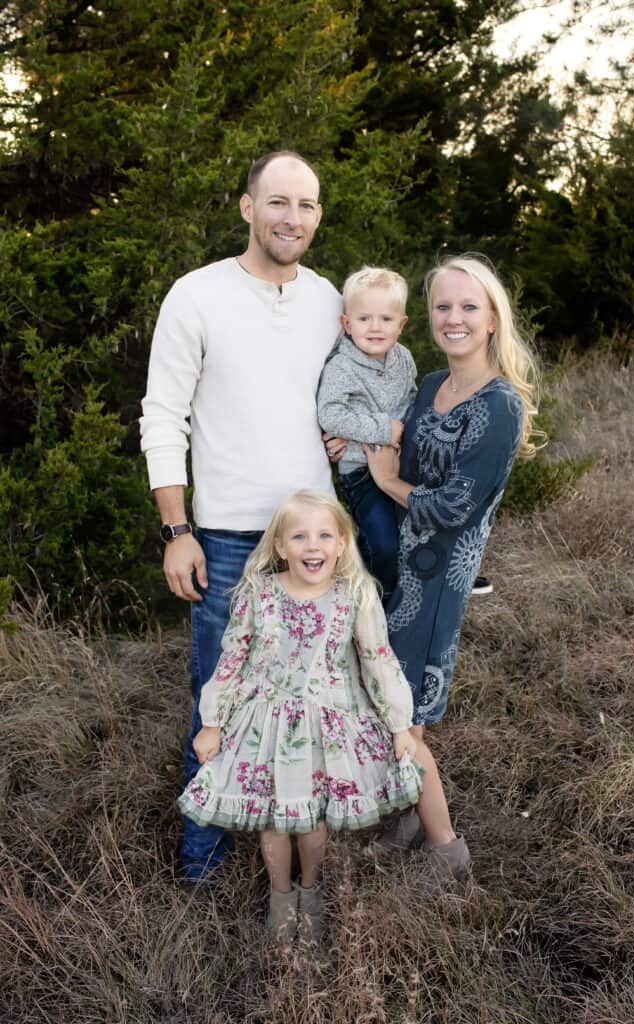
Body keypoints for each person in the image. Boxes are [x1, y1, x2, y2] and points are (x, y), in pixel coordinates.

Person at [140, 151, 344, 883]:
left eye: (308, 205)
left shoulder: (327, 299)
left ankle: (292, 844)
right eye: (279, 201)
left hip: (315, 541)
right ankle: (201, 860)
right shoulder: (196, 295)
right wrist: (177, 528)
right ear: (246, 207)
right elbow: (162, 415)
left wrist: (350, 431)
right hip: (224, 537)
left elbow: (350, 385)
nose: (293, 217)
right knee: (220, 699)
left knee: (308, 698)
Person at [177, 490, 454, 945]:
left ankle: (312, 891)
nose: (313, 546)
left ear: (342, 544)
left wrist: (400, 726)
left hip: (328, 724)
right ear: (280, 546)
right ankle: (280, 898)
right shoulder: (259, 594)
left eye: (325, 535)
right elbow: (231, 659)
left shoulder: (353, 596)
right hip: (265, 723)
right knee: (274, 818)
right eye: (300, 536)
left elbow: (378, 660)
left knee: (312, 820)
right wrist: (212, 722)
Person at [364, 253, 540, 857]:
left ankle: (446, 851)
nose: (454, 318)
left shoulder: (499, 406)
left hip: (436, 587)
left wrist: (387, 483)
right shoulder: (434, 386)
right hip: (393, 570)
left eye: (469, 306)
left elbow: (454, 507)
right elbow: (399, 449)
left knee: (403, 719)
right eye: (443, 306)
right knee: (384, 703)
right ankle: (409, 819)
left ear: (493, 319)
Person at [317, 267, 415, 604]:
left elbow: (411, 402)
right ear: (347, 324)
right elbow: (330, 414)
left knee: (420, 533)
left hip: (400, 467)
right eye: (364, 318)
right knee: (383, 544)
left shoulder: (403, 359)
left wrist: (401, 437)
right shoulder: (341, 367)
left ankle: (413, 602)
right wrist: (383, 430)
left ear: (401, 324)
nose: (375, 327)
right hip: (361, 473)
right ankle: (368, 604)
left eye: (386, 319)